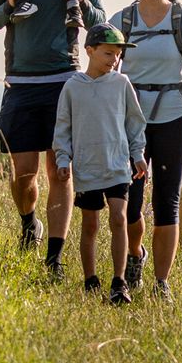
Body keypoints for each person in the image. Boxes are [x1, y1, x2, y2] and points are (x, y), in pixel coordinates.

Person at [0, 0, 104, 277]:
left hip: (65, 79)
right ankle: (28, 222)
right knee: (23, 175)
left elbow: (101, 24)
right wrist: (11, 5)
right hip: (21, 81)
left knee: (61, 172)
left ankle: (55, 257)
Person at [110, 0, 182, 302]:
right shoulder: (121, 21)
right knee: (129, 202)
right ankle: (135, 256)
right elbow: (106, 70)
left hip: (175, 117)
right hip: (131, 122)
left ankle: (161, 283)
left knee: (167, 200)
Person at [53, 25, 149, 303]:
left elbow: (134, 123)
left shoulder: (121, 84)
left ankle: (119, 283)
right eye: (108, 53)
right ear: (90, 51)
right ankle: (90, 279)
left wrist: (138, 154)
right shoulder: (73, 87)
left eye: (118, 55)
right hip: (87, 167)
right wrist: (63, 158)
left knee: (118, 218)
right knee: (90, 225)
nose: (114, 60)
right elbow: (63, 126)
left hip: (118, 164)